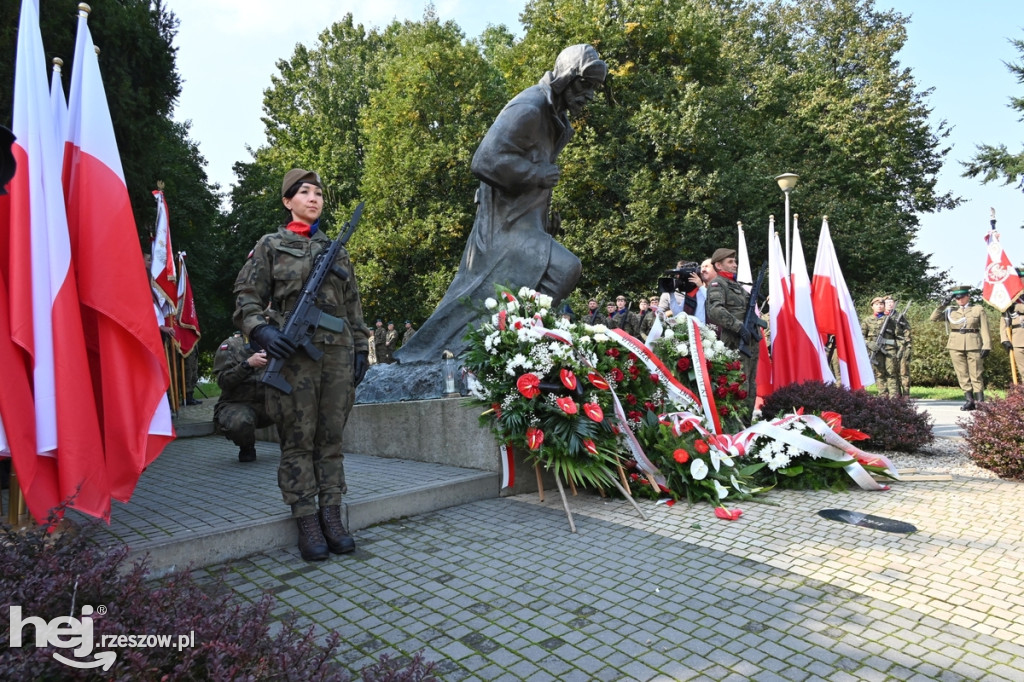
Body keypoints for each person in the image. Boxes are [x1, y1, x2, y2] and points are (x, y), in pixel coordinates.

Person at [395, 45, 608, 364]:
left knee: (537, 280)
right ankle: (507, 343)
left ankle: (507, 346)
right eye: (585, 84)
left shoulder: (559, 122)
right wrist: (536, 174)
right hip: (502, 226)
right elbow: (484, 160)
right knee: (564, 268)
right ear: (566, 78)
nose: (590, 95)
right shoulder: (530, 106)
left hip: (525, 222)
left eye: (594, 88)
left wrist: (545, 213)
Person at [233, 168, 371, 561]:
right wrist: (261, 332)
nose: (314, 198)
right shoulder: (271, 245)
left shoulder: (336, 249)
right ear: (287, 200)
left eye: (319, 193)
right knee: (298, 439)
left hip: (337, 356)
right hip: (294, 359)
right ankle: (307, 520)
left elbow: (353, 307)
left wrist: (360, 347)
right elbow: (246, 296)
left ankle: (332, 517)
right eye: (304, 192)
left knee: (330, 439)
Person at [704, 247, 757, 420]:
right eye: (730, 262)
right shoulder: (717, 285)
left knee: (751, 384)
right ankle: (737, 425)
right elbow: (715, 310)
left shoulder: (737, 285)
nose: (735, 264)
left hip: (750, 340)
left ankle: (747, 423)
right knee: (739, 384)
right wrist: (738, 326)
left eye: (735, 261)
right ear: (719, 265)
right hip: (735, 341)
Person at [213, 331, 273, 463]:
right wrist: (247, 364)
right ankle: (246, 447)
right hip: (238, 404)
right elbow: (223, 381)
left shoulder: (277, 342)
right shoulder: (231, 345)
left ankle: (295, 448)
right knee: (240, 422)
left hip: (271, 403)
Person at [930, 284, 991, 410]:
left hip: (973, 343)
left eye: (962, 297)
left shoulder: (977, 309)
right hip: (955, 345)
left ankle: (980, 401)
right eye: (957, 298)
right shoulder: (950, 311)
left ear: (968, 296)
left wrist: (987, 345)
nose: (960, 300)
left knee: (976, 372)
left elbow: (985, 328)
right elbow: (933, 318)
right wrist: (943, 304)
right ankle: (969, 400)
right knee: (961, 373)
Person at [862, 297, 899, 397]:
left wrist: (900, 349)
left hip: (889, 350)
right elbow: (861, 336)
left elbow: (898, 335)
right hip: (875, 351)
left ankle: (894, 398)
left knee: (891, 373)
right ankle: (883, 396)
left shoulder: (890, 320)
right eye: (877, 304)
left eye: (881, 304)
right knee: (879, 374)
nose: (879, 306)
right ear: (872, 306)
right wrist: (869, 343)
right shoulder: (867, 320)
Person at [885, 296, 912, 396]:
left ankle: (906, 395)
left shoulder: (900, 316)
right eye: (888, 302)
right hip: (888, 348)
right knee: (891, 372)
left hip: (902, 346)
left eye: (892, 302)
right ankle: (895, 395)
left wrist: (908, 345)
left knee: (904, 372)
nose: (890, 304)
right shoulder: (881, 317)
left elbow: (907, 330)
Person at [1000, 270, 1024, 381]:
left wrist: (1016, 307)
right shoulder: (1009, 301)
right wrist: (1004, 339)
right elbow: (1004, 321)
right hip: (1018, 340)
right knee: (1023, 371)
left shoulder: (1014, 304)